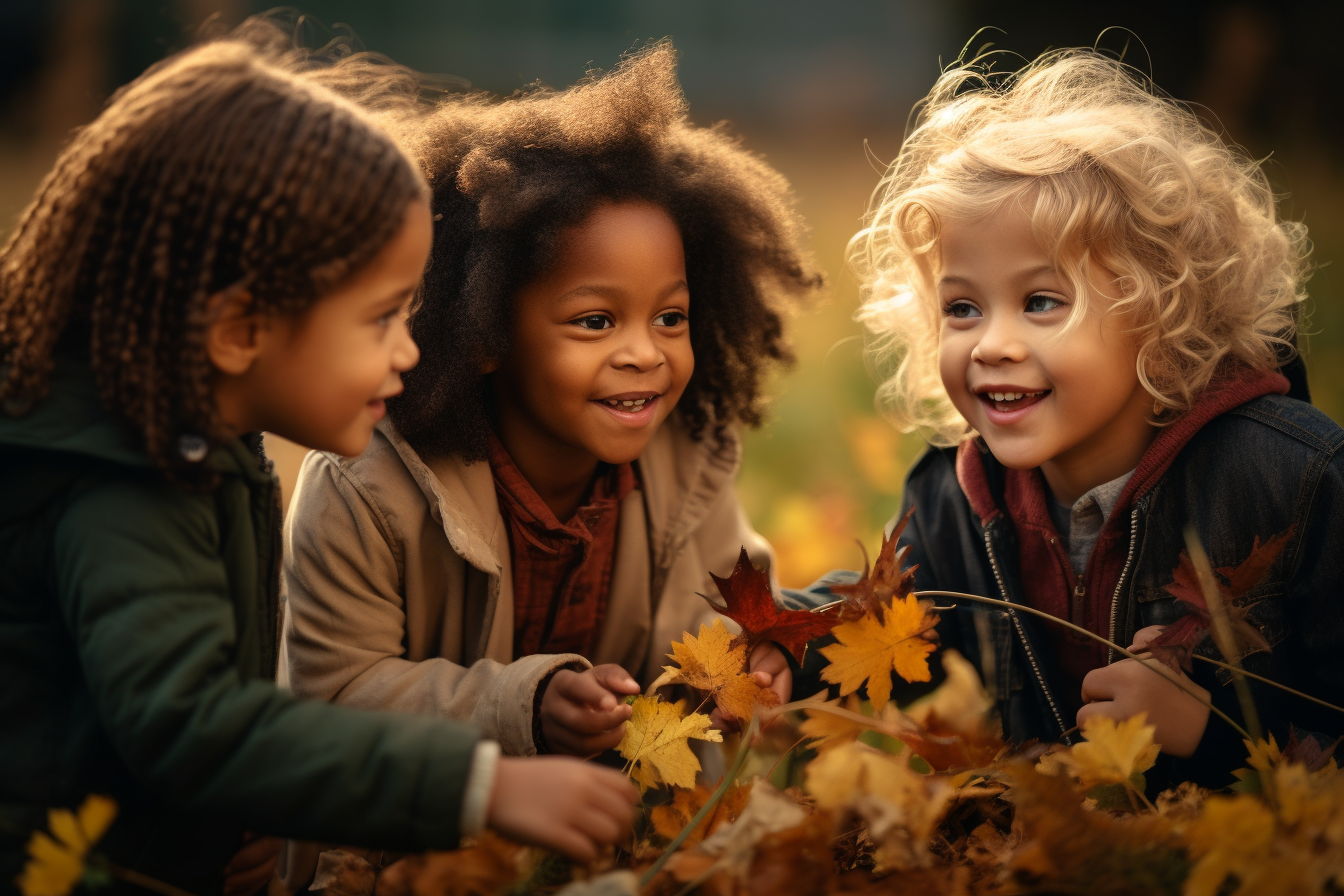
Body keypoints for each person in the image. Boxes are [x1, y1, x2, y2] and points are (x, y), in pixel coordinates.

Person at [0, 28, 636, 896]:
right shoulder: (121, 490)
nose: (408, 353)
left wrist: (215, 829)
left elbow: (168, 720)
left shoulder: (193, 444)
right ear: (238, 331)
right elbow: (193, 729)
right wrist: (479, 784)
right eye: (379, 318)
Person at [279, 42, 822, 766]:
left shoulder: (688, 459)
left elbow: (723, 613)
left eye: (671, 317)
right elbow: (334, 693)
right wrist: (521, 705)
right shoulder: (366, 488)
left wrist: (755, 658)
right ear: (485, 333)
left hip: (614, 842)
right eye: (596, 322)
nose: (645, 353)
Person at [841, 47, 1342, 788]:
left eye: (1041, 302)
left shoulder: (1291, 481)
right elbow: (873, 625)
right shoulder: (958, 495)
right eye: (962, 308)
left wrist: (1217, 734)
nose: (993, 345)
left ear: (1161, 311)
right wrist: (776, 645)